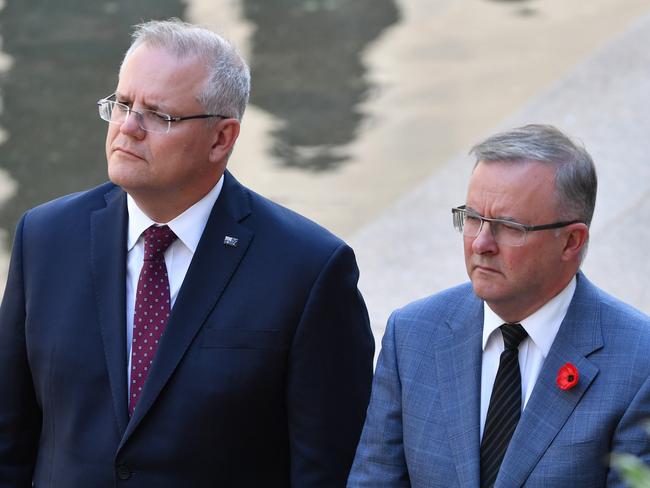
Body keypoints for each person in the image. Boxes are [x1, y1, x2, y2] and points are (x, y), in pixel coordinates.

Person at [0, 19, 374, 487]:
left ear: (222, 138)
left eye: (159, 115)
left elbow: (327, 467)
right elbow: (9, 436)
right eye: (122, 104)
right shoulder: (45, 238)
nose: (128, 128)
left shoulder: (310, 269)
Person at [348, 124, 650, 487]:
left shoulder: (637, 362)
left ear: (571, 241)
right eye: (473, 218)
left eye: (508, 227)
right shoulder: (413, 335)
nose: (480, 243)